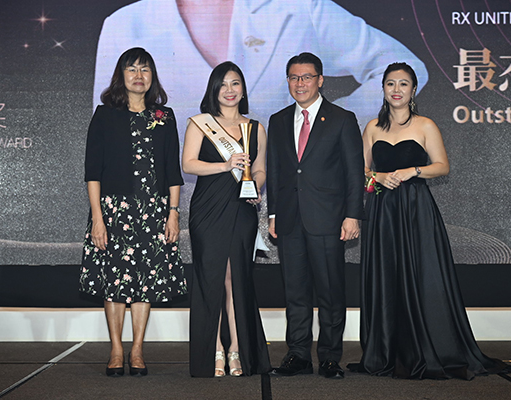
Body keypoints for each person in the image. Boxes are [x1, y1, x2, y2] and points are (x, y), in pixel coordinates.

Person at [348, 62, 511, 379]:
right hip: (383, 211)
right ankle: (387, 351)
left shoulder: (425, 125)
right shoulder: (372, 127)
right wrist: (378, 177)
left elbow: (442, 166)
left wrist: (413, 171)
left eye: (403, 83)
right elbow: (360, 172)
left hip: (416, 210)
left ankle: (428, 348)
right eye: (390, 83)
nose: (396, 89)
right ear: (383, 89)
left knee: (422, 275)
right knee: (387, 276)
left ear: (413, 90)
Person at [93, 0, 429, 136]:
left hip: (279, 194)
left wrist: (324, 123)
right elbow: (110, 130)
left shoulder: (300, 8)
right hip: (172, 199)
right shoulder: (125, 24)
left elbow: (405, 67)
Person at [80, 47, 186, 377]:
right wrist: (97, 218)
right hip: (114, 212)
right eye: (132, 69)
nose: (139, 76)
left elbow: (172, 171)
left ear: (152, 76)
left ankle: (137, 349)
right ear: (121, 75)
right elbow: (93, 172)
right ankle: (116, 349)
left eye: (145, 69)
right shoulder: (105, 115)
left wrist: (173, 213)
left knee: (146, 280)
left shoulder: (164, 116)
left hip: (153, 211)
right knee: (114, 281)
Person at [267, 52, 365, 379]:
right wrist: (273, 213)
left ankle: (330, 357)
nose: (300, 83)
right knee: (295, 292)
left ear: (320, 80)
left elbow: (354, 173)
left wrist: (353, 216)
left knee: (330, 292)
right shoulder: (278, 120)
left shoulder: (342, 119)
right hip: (290, 219)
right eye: (294, 77)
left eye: (307, 77)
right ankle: (297, 354)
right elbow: (276, 171)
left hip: (328, 219)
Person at [182, 61, 271, 377]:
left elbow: (260, 169)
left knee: (237, 278)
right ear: (213, 89)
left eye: (235, 83)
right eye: (223, 84)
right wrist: (225, 165)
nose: (229, 90)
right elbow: (188, 164)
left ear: (243, 89)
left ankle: (236, 349)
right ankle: (215, 350)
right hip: (208, 210)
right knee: (212, 278)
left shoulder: (256, 128)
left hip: (242, 210)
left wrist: (255, 186)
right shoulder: (200, 124)